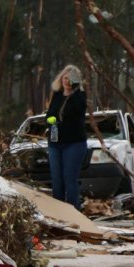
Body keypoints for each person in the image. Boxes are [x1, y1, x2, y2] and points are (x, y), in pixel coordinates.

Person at [45, 64, 87, 210]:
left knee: (70, 179)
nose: (67, 81)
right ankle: (59, 212)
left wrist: (73, 90)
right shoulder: (57, 95)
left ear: (76, 81)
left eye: (71, 79)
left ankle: (74, 210)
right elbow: (49, 114)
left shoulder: (80, 96)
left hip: (74, 144)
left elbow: (80, 108)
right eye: (65, 77)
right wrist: (50, 119)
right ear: (61, 78)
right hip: (55, 143)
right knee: (57, 181)